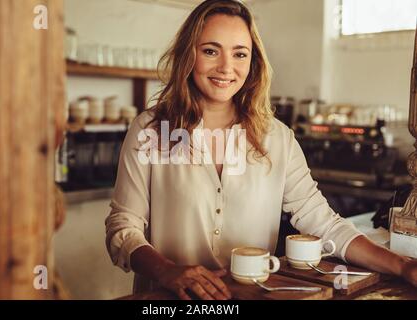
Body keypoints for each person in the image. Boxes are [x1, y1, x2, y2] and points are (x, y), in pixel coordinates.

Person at [105, 0, 417, 300]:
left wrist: (403, 266)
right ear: (189, 54)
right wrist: (167, 272)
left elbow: (324, 223)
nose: (226, 67)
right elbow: (123, 224)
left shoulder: (276, 138)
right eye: (211, 51)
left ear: (253, 63)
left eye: (240, 54)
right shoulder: (152, 130)